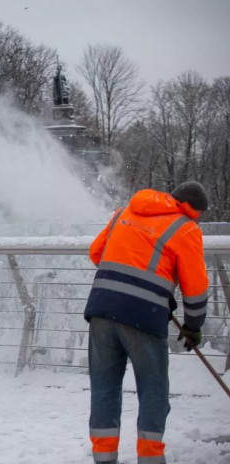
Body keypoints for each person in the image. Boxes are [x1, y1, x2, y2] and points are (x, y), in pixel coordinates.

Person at [84, 181, 209, 464]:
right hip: (143, 318)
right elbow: (196, 287)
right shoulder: (185, 227)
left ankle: (104, 457)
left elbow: (96, 253)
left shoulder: (124, 212)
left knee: (104, 386)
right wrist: (193, 325)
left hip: (102, 308)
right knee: (153, 390)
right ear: (191, 209)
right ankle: (150, 459)